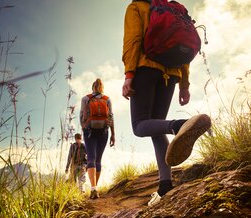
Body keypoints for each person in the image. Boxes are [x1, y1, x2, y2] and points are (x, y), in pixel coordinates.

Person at [122, 0, 211, 206]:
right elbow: (184, 51)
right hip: (171, 73)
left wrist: (129, 74)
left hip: (145, 68)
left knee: (140, 125)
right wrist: (184, 84)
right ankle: (165, 186)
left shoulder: (137, 7)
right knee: (156, 127)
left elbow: (133, 40)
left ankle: (179, 125)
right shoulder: (172, 10)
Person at [80, 78, 115, 199]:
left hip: (89, 131)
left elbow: (82, 116)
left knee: (91, 158)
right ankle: (95, 188)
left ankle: (93, 188)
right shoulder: (107, 99)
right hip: (104, 132)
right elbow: (111, 117)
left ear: (92, 87)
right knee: (98, 160)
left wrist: (85, 128)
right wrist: (113, 135)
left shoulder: (86, 98)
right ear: (102, 88)